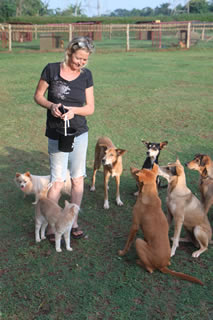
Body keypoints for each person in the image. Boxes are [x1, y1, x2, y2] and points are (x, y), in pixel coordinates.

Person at [34, 36, 95, 240]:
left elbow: (90, 108)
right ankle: (51, 225)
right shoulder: (51, 70)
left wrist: (74, 111)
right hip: (56, 132)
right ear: (69, 53)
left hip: (78, 133)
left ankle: (73, 222)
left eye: (85, 60)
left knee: (78, 180)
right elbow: (38, 96)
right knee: (57, 181)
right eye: (78, 58)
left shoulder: (86, 76)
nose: (80, 63)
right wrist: (51, 106)